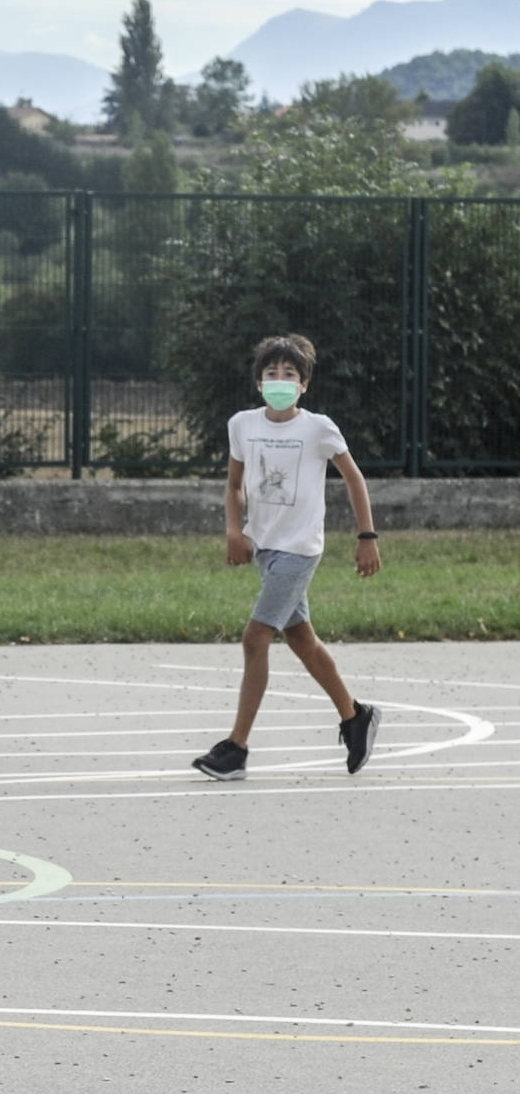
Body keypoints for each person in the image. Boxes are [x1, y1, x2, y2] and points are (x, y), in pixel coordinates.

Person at [193, 334, 383, 782]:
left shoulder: (318, 428)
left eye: (290, 374)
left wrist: (367, 536)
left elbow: (353, 479)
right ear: (259, 383)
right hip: (265, 549)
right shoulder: (242, 424)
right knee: (301, 640)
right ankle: (355, 716)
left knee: (255, 637)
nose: (280, 380)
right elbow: (234, 485)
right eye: (271, 374)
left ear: (304, 384)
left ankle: (235, 748)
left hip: (300, 551)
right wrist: (233, 531)